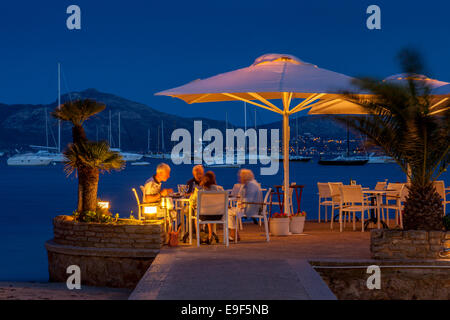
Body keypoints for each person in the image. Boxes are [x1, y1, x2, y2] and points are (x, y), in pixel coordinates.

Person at [189, 171, 223, 244]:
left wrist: (193, 204)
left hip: (203, 216)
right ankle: (210, 236)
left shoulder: (199, 190)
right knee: (211, 211)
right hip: (218, 216)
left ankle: (199, 238)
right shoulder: (220, 189)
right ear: (214, 179)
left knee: (198, 216)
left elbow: (192, 202)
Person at [228, 169, 262, 241]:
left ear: (244, 177)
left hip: (251, 209)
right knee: (231, 210)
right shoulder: (252, 183)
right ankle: (235, 234)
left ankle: (234, 234)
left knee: (228, 212)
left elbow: (249, 199)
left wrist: (239, 201)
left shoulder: (251, 185)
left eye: (240, 177)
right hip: (253, 207)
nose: (239, 179)